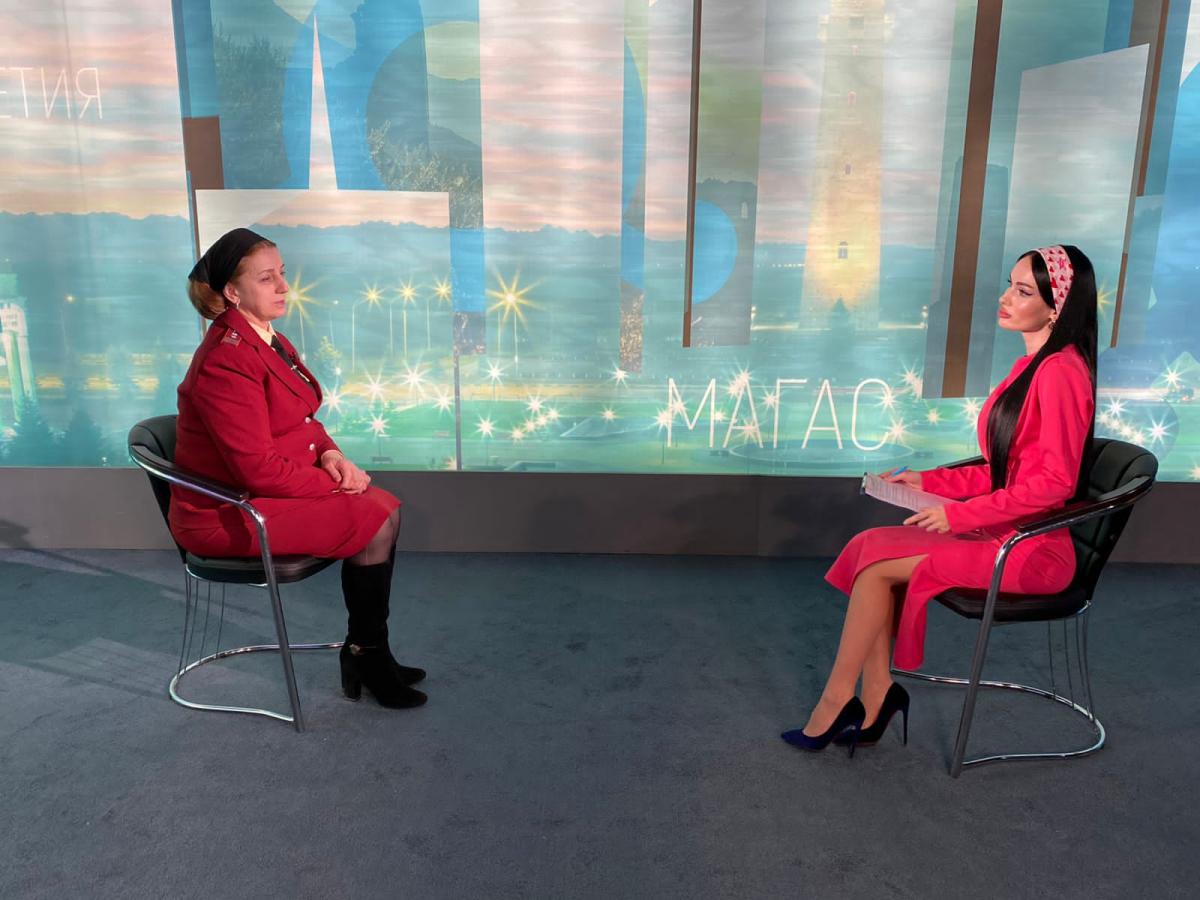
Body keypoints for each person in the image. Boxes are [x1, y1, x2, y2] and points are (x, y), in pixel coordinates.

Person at [782, 244, 1098, 753]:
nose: (1005, 298)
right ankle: (877, 693)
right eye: (1010, 284)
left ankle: (839, 701)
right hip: (1004, 533)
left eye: (1023, 292)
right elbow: (1003, 471)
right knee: (868, 546)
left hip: (1031, 552)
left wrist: (959, 515)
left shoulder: (1061, 371)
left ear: (1056, 308)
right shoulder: (1034, 366)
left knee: (876, 567)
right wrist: (925, 482)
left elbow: (1054, 484)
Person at [169, 227, 426, 709]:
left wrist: (331, 455)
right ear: (232, 291)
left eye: (282, 274)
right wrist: (334, 486)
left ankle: (369, 650)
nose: (284, 287)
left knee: (384, 510)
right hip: (226, 512)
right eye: (267, 278)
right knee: (374, 518)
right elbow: (256, 470)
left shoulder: (267, 340)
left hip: (258, 492)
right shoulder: (226, 361)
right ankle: (367, 655)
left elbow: (302, 419)